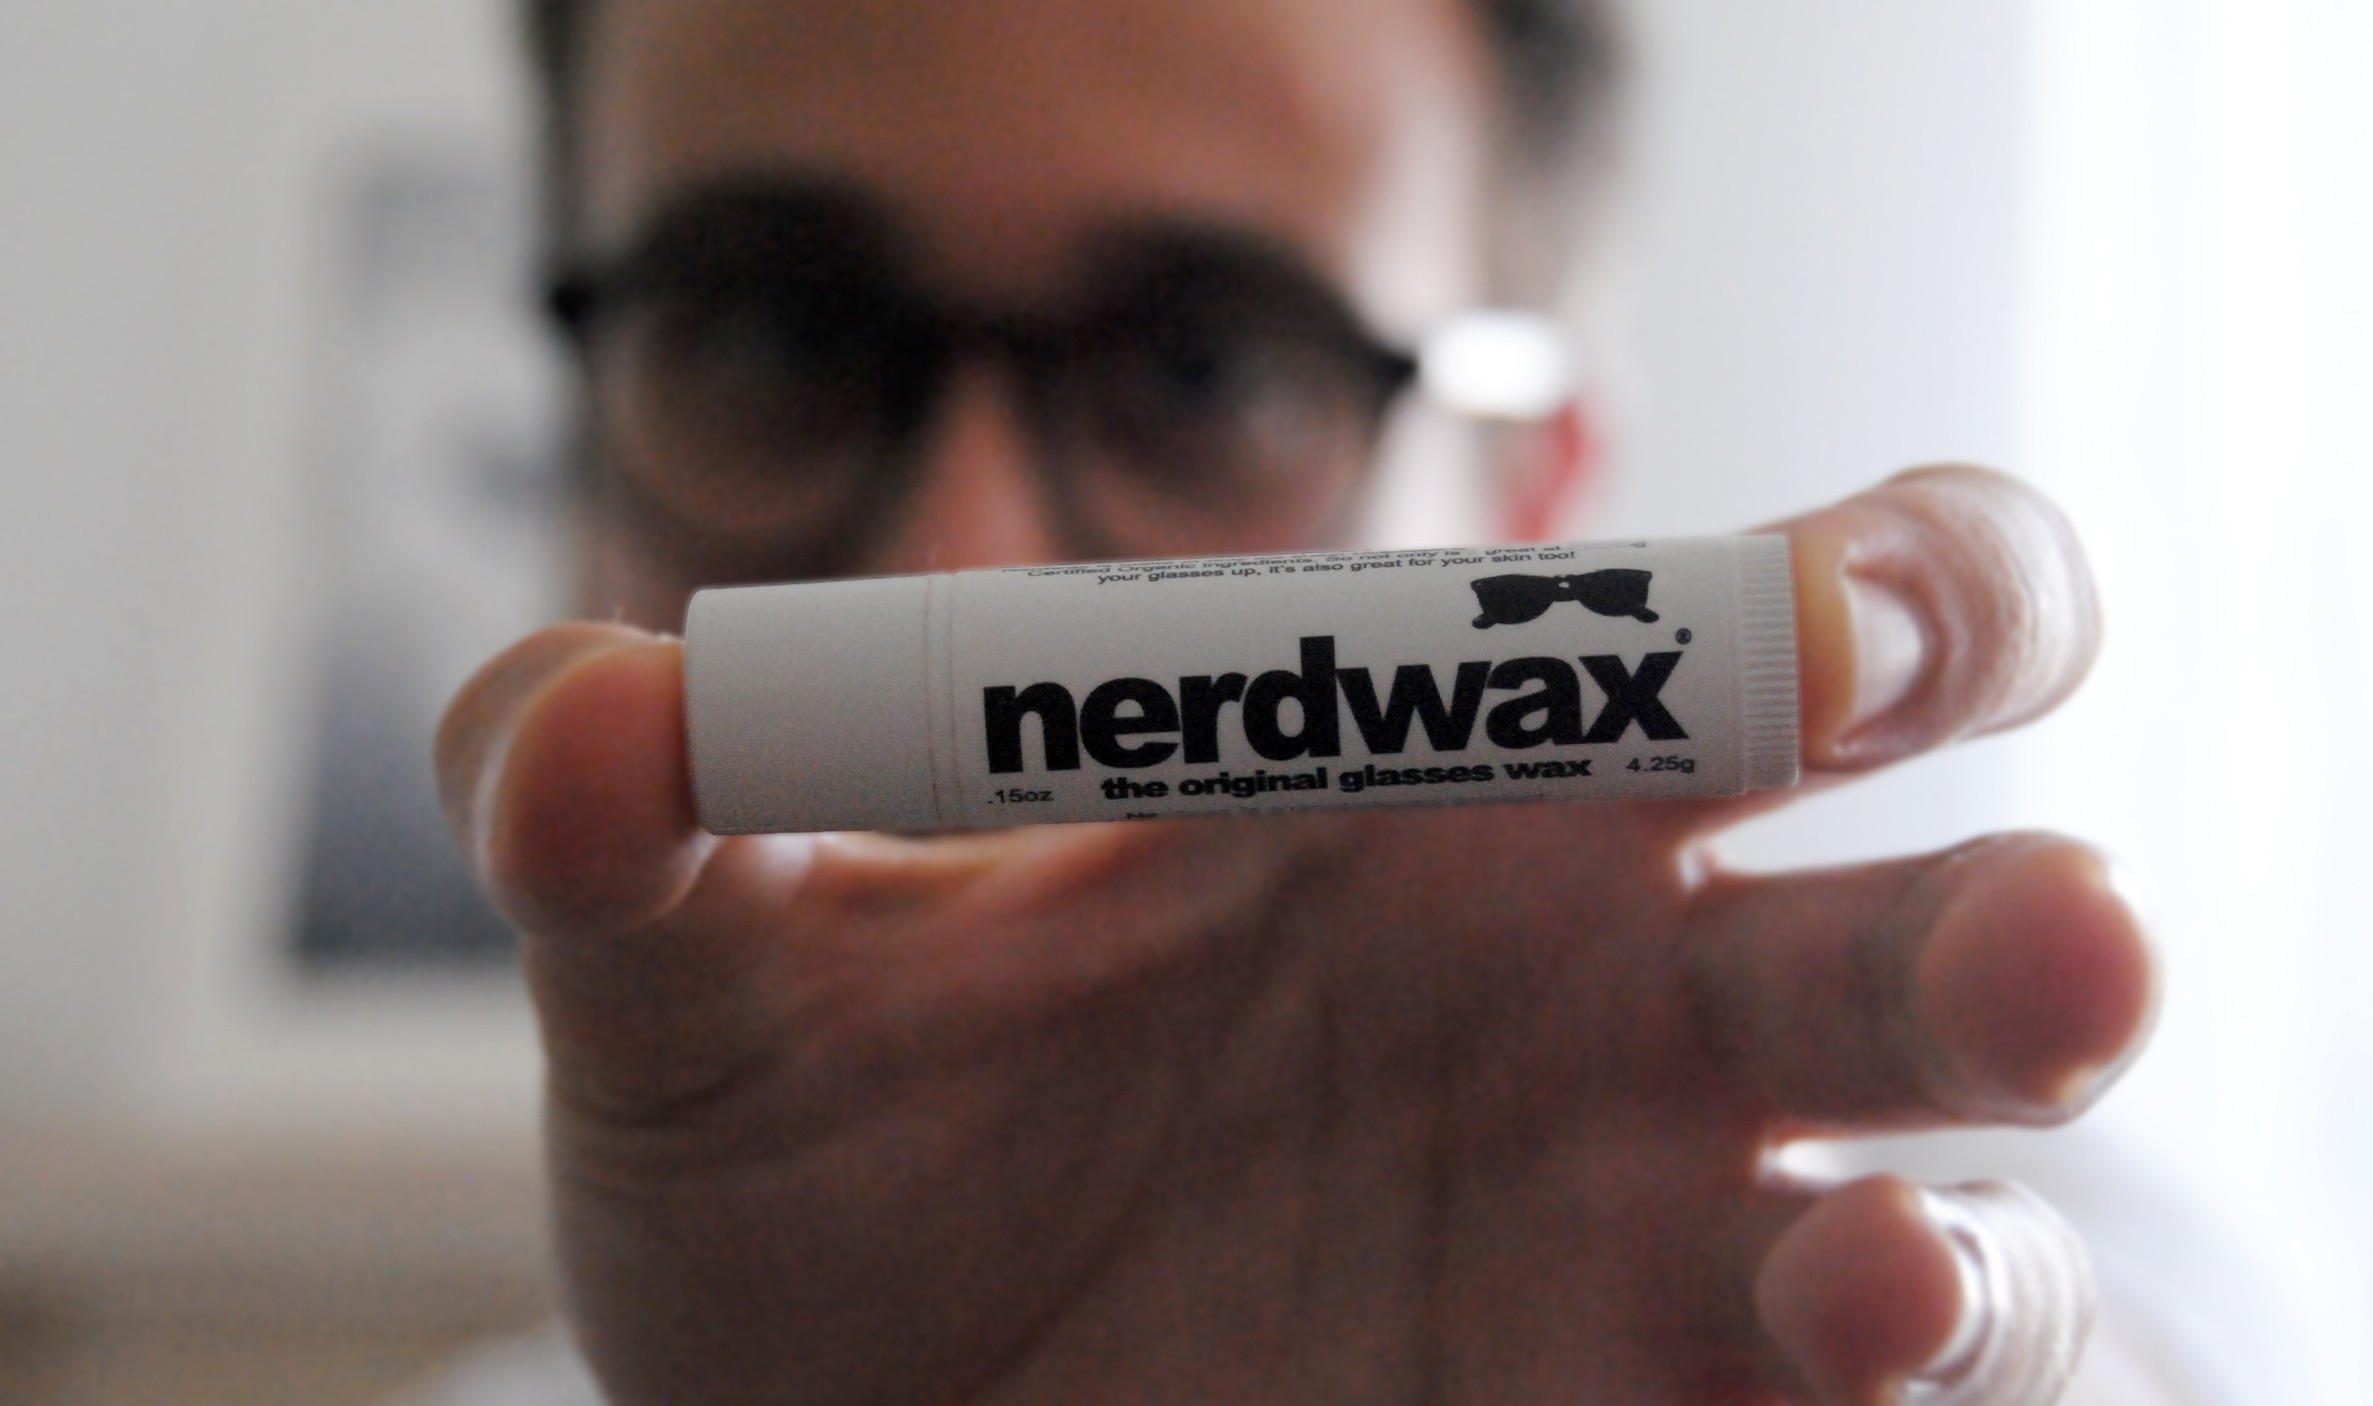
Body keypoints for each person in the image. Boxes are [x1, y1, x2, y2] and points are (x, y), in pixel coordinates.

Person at [429, 0, 2159, 1402]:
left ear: (1539, 506)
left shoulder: (1944, 1252)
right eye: (770, 342)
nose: (962, 569)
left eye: (1207, 372)